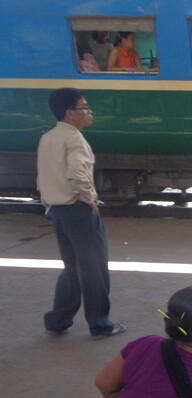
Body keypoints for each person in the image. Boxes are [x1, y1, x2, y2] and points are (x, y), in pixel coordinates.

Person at [37, 88, 126, 339]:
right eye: (85, 107)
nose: (89, 112)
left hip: (57, 211)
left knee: (72, 268)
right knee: (94, 269)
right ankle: (100, 324)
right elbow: (77, 174)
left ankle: (57, 320)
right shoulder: (74, 139)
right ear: (70, 113)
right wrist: (89, 200)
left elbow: (43, 177)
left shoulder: (48, 137)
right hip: (77, 210)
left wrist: (49, 205)